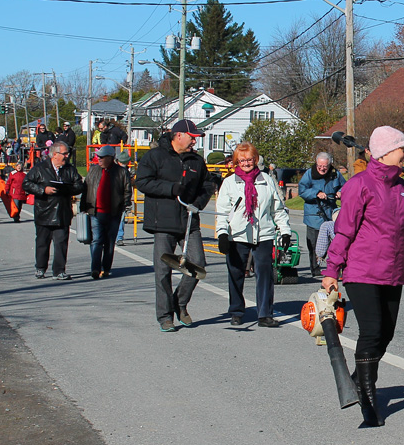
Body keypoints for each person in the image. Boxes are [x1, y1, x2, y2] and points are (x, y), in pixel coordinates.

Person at [322, 126, 404, 427]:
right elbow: (344, 231)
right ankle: (368, 399)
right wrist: (331, 270)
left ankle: (357, 380)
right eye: (402, 148)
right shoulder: (359, 185)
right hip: (362, 271)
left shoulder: (403, 188)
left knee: (386, 334)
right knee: (372, 332)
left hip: (393, 271)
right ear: (385, 152)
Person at [135, 119, 215, 332]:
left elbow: (208, 184)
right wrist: (171, 188)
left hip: (189, 221)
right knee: (163, 270)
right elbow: (142, 182)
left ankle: (179, 302)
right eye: (192, 137)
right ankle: (165, 316)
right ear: (179, 135)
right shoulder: (155, 156)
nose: (194, 142)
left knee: (198, 264)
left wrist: (198, 203)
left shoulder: (196, 160)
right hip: (163, 222)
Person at [215, 142, 292, 327]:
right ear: (236, 162)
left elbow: (277, 209)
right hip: (237, 234)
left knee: (264, 274)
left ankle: (265, 313)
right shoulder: (230, 182)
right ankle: (236, 311)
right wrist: (222, 233)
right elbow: (222, 212)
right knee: (236, 273)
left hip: (263, 233)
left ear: (255, 160)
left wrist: (285, 231)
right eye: (242, 160)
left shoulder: (266, 180)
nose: (246, 163)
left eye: (249, 159)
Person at [22, 141, 84, 280]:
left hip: (62, 212)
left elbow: (79, 185)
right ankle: (40, 268)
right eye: (64, 154)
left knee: (61, 243)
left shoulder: (69, 169)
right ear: (55, 154)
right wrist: (43, 190)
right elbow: (26, 184)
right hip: (44, 212)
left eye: (67, 153)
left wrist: (66, 189)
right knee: (42, 242)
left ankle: (59, 271)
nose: (67, 156)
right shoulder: (40, 168)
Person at [80, 146, 132, 280]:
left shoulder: (121, 172)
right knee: (96, 240)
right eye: (98, 157)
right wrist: (83, 207)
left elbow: (127, 190)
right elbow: (86, 188)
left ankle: (106, 268)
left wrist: (124, 205)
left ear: (110, 158)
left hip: (113, 213)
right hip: (95, 212)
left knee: (109, 241)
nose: (99, 159)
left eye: (102, 157)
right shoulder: (93, 170)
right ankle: (95, 268)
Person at [299, 152, 345, 278]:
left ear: (329, 165)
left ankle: (333, 268)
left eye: (325, 166)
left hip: (330, 212)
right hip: (313, 214)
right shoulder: (309, 174)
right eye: (319, 166)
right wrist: (316, 193)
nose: (322, 169)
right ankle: (315, 268)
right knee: (313, 243)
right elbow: (302, 190)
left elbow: (346, 186)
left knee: (334, 243)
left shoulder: (336, 174)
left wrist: (340, 192)